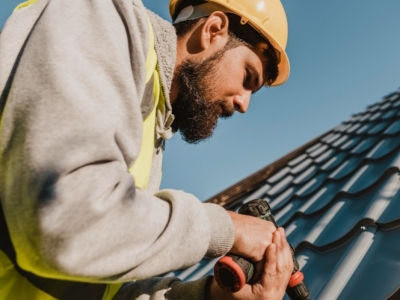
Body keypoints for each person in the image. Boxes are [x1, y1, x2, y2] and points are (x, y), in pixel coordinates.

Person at [0, 0, 294, 299]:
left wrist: (210, 296)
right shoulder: (98, 14)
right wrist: (228, 228)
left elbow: (97, 286)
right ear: (213, 30)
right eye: (248, 77)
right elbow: (63, 223)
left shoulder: (152, 124)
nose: (244, 104)